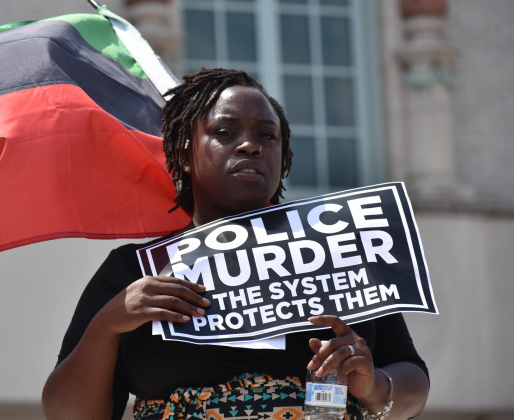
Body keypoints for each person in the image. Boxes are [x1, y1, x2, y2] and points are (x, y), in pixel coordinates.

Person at [41, 68, 429, 420]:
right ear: (184, 155)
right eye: (224, 132)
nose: (250, 146)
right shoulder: (136, 270)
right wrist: (108, 324)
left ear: (283, 155)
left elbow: (413, 378)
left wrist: (374, 385)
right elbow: (66, 412)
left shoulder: (343, 248)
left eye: (266, 135)